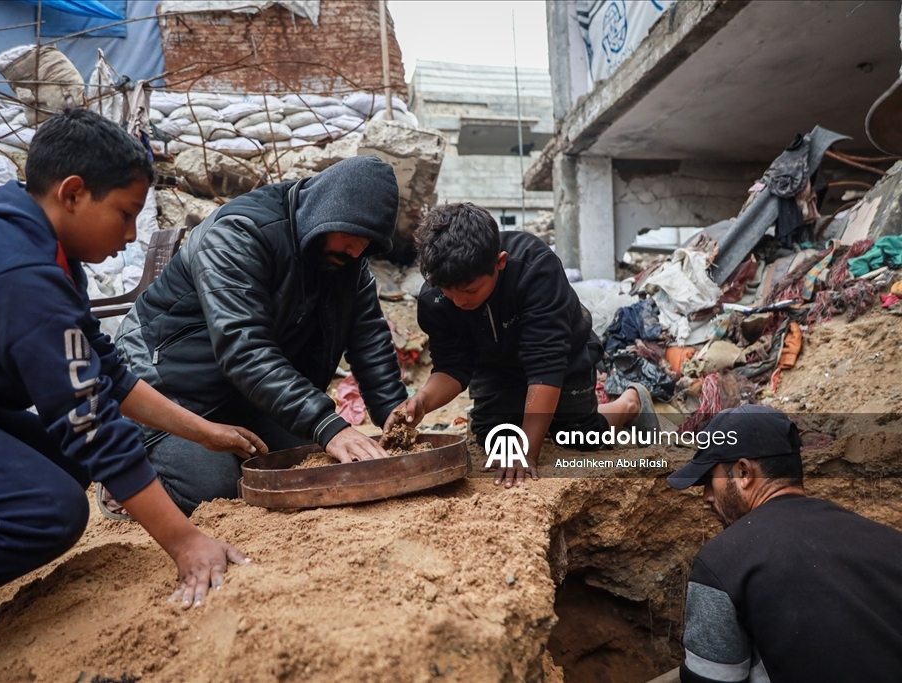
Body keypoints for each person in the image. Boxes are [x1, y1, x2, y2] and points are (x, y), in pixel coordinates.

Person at [0, 109, 266, 639]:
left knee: (62, 463)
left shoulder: (45, 251)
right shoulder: (17, 269)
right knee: (48, 513)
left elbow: (101, 366)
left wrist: (204, 431)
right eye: (125, 214)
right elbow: (86, 418)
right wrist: (185, 541)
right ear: (74, 193)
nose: (131, 235)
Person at [114, 155, 408, 515]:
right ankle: (128, 475)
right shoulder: (239, 233)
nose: (357, 250)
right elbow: (244, 348)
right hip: (172, 390)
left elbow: (369, 339)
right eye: (352, 236)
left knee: (316, 466)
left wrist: (394, 413)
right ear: (325, 212)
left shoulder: (345, 258)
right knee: (216, 492)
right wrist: (328, 425)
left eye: (367, 243)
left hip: (249, 394)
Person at [384, 202, 658, 487]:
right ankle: (539, 419)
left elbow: (546, 363)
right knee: (495, 438)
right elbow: (452, 367)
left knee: (580, 436)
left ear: (500, 262)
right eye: (447, 292)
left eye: (470, 291)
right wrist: (422, 401)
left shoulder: (534, 267)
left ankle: (629, 403)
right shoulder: (435, 299)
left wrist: (527, 451)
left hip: (564, 357)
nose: (460, 302)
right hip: (495, 367)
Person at [667, 405, 902, 683]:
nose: (707, 495)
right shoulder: (888, 541)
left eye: (709, 480)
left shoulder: (721, 564)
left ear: (743, 473)